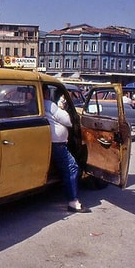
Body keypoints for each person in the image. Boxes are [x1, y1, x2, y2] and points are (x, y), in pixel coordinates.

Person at [43, 85, 91, 213]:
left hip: (48, 142)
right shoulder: (49, 104)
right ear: (47, 93)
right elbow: (68, 121)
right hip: (57, 144)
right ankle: (73, 202)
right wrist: (61, 108)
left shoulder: (36, 104)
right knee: (72, 167)